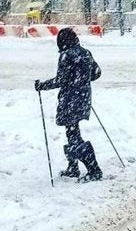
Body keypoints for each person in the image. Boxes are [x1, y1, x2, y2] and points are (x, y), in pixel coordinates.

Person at [35, 28, 103, 183]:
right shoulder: (85, 52)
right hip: (83, 97)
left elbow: (61, 80)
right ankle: (73, 167)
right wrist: (82, 81)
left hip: (70, 100)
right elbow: (97, 72)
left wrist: (42, 86)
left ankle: (94, 169)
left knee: (73, 134)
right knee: (72, 131)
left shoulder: (66, 55)